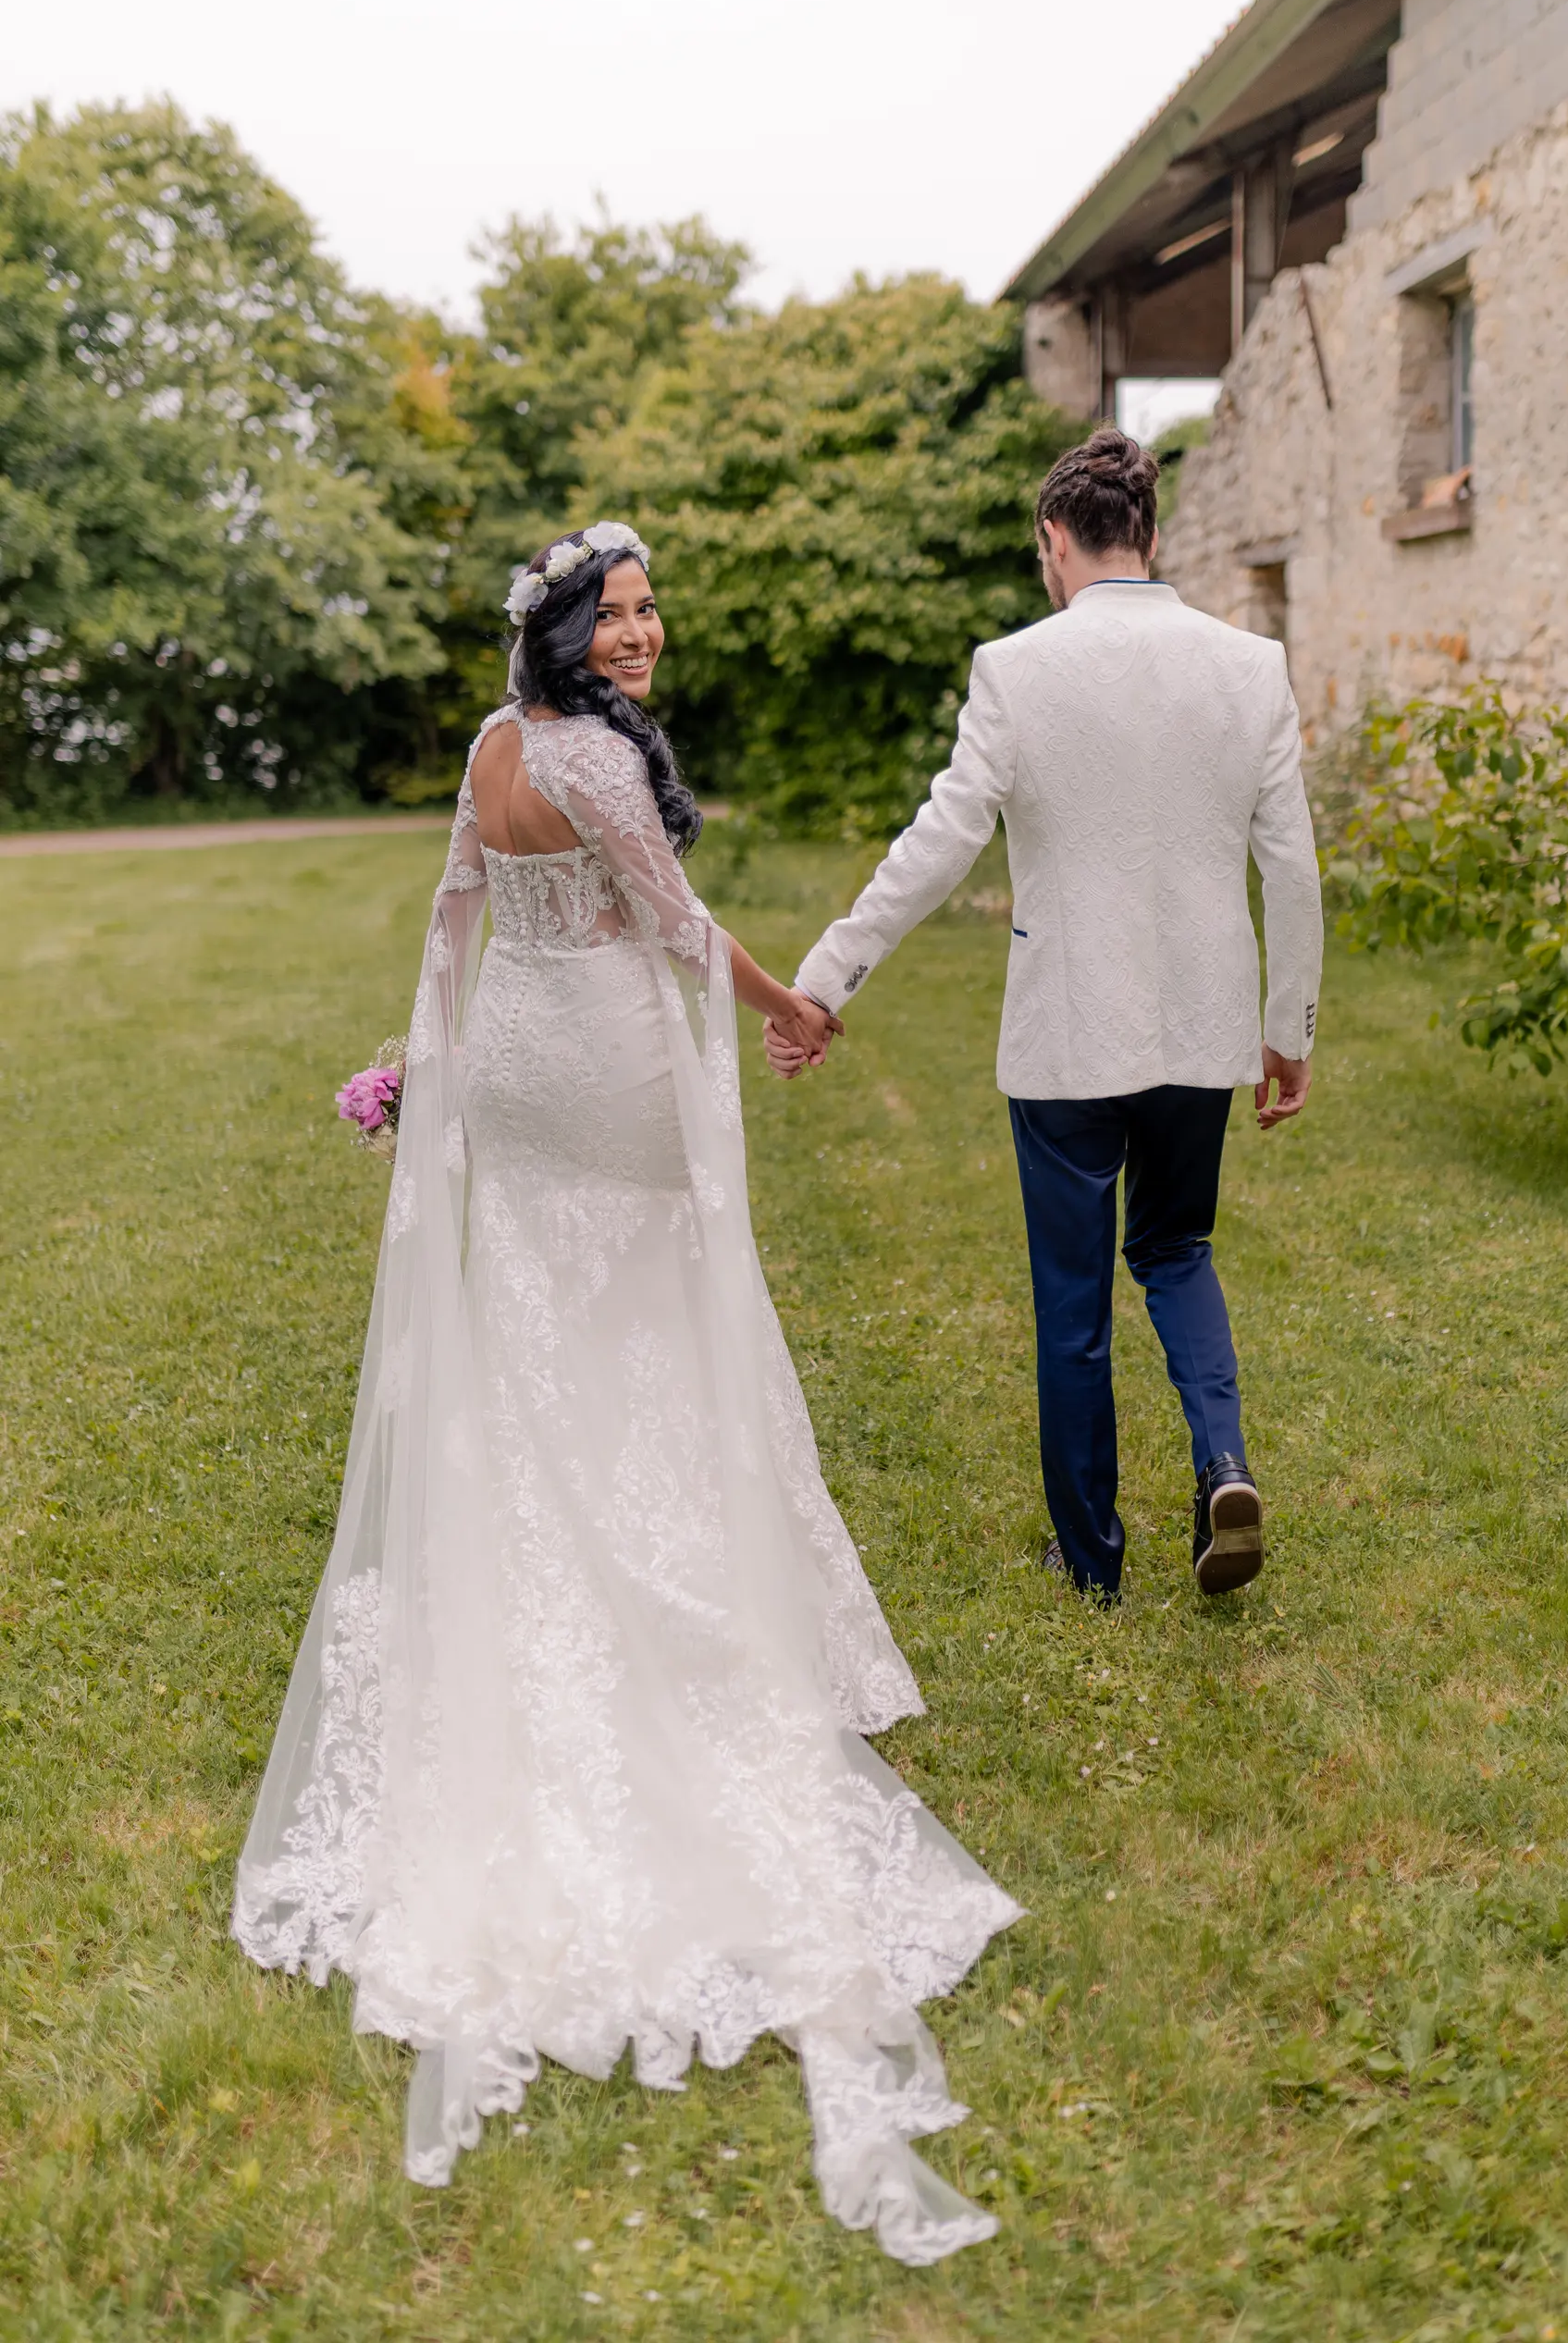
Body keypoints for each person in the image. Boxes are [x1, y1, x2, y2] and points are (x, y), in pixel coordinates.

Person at [232, 523, 1020, 2264]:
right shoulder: (585, 762)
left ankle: (542, 1556)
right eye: (624, 610)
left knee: (532, 1340)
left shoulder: (496, 749)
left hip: (510, 1064)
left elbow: (451, 919)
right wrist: (792, 1005)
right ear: (570, 628)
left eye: (656, 609)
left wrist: (423, 1064)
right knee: (662, 1324)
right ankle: (681, 1598)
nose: (647, 633)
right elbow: (677, 935)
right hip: (599, 1071)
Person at [770, 429, 1323, 1603]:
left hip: (1066, 1036)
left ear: (1052, 542)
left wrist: (824, 975)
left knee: (1071, 1299)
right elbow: (1293, 870)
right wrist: (1290, 1028)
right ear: (1152, 538)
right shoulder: (1251, 664)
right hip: (1199, 1028)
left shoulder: (1015, 669)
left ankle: (1091, 1565)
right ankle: (1220, 1463)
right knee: (1176, 1249)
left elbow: (937, 844)